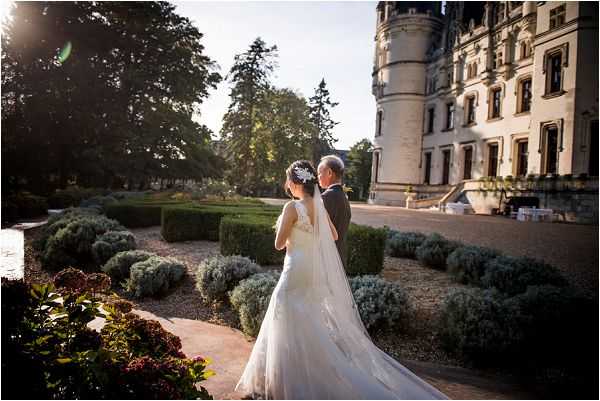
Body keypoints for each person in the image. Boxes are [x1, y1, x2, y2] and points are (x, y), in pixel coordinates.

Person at [234, 160, 449, 400]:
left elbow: (278, 244)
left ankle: (285, 378)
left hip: (295, 269)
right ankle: (308, 374)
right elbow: (333, 235)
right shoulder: (319, 207)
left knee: (285, 315)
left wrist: (288, 233)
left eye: (288, 180)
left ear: (295, 182)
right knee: (309, 319)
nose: (287, 184)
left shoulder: (292, 208)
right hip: (312, 271)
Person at [317, 154, 351, 269]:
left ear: (330, 173)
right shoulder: (343, 197)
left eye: (319, 173)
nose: (318, 177)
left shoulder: (326, 197)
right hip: (339, 257)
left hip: (326, 260)